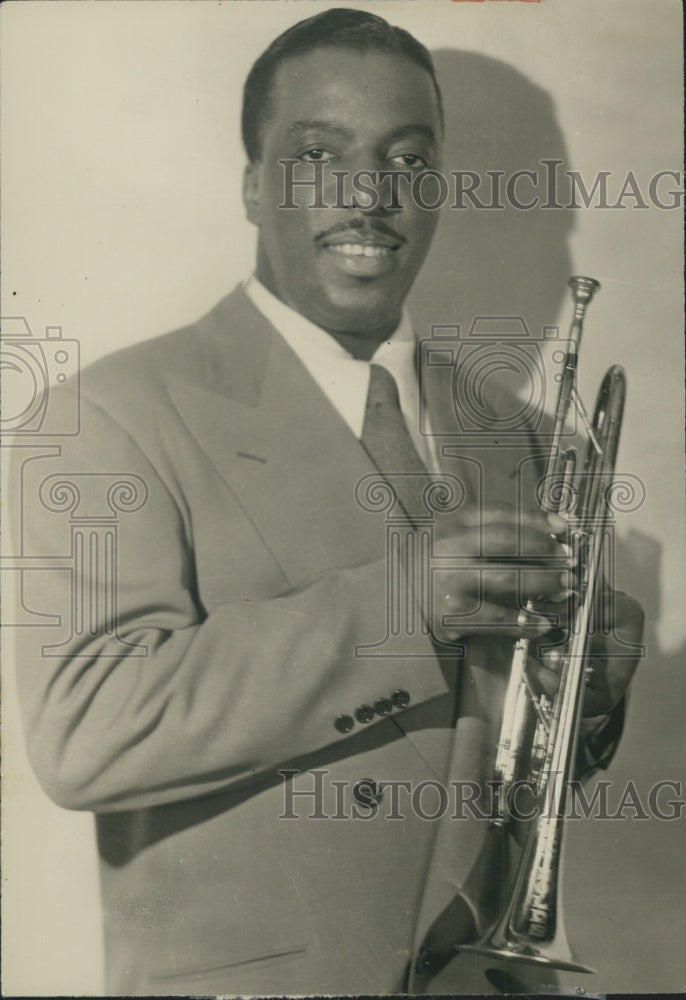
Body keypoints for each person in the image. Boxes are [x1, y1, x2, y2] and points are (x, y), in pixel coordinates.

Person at [13, 8, 643, 995]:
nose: (368, 194)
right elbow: (87, 731)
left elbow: (507, 781)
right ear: (252, 184)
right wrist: (405, 607)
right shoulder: (106, 416)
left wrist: (588, 697)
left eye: (406, 157)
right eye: (317, 155)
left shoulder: (529, 443)